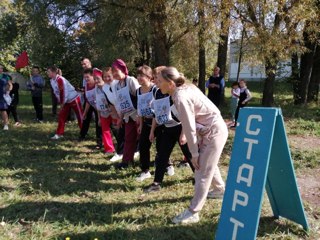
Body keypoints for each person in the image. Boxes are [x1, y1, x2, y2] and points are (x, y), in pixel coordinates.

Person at [158, 66, 228, 224]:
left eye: (159, 80)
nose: (156, 83)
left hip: (213, 132)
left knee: (201, 171)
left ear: (170, 83)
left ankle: (193, 212)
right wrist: (184, 133)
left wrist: (194, 154)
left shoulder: (180, 97)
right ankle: (219, 190)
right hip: (209, 129)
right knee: (209, 163)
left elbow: (190, 126)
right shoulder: (184, 88)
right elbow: (190, 117)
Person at [143, 66, 194, 193]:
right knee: (162, 155)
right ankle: (156, 183)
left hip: (181, 126)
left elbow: (188, 115)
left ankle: (199, 177)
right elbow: (156, 112)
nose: (156, 81)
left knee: (189, 154)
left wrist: (184, 134)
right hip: (167, 127)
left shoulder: (178, 93)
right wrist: (152, 131)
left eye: (158, 79)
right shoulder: (156, 92)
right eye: (156, 78)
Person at [112, 59, 140, 169]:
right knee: (128, 138)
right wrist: (120, 117)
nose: (115, 74)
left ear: (123, 69)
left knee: (142, 139)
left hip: (138, 115)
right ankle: (127, 161)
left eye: (116, 71)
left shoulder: (131, 80)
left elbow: (140, 96)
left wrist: (140, 115)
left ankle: (144, 161)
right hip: (127, 116)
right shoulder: (116, 85)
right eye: (113, 71)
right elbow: (120, 102)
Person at [135, 65, 158, 182]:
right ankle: (145, 171)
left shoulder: (155, 89)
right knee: (143, 146)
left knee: (161, 147)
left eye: (142, 76)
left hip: (159, 122)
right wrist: (141, 125)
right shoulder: (138, 91)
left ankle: (168, 165)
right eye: (138, 75)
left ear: (149, 77)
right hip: (147, 121)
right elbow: (140, 109)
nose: (139, 78)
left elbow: (158, 109)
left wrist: (153, 130)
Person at [47, 65, 83, 139]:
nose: (47, 73)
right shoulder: (52, 81)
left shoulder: (60, 79)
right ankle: (59, 133)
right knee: (61, 116)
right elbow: (56, 92)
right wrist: (60, 101)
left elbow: (63, 92)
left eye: (49, 72)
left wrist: (62, 103)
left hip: (73, 99)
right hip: (65, 101)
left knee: (80, 116)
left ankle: (83, 132)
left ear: (54, 72)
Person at [102, 67, 124, 162]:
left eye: (109, 76)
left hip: (127, 110)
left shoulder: (118, 84)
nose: (107, 78)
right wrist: (115, 116)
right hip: (118, 111)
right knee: (120, 132)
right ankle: (120, 152)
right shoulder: (105, 87)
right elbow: (110, 102)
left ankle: (129, 151)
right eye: (105, 77)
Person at [92, 67, 116, 155]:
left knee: (116, 129)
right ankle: (109, 149)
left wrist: (115, 113)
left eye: (98, 78)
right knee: (105, 130)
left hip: (112, 112)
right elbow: (97, 104)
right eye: (94, 79)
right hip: (103, 113)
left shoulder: (108, 87)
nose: (96, 80)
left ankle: (122, 146)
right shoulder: (96, 88)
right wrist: (98, 117)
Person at [79, 68, 102, 148]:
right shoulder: (86, 86)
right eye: (84, 77)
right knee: (86, 119)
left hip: (102, 108)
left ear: (93, 76)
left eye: (88, 77)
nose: (86, 79)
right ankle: (82, 136)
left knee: (101, 124)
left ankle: (100, 142)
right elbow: (88, 101)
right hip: (92, 105)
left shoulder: (98, 85)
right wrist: (84, 113)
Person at [0, 64, 12, 130]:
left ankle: (6, 125)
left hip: (2, 96)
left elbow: (10, 85)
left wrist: (8, 91)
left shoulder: (5, 76)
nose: (0, 69)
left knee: (3, 110)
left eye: (1, 68)